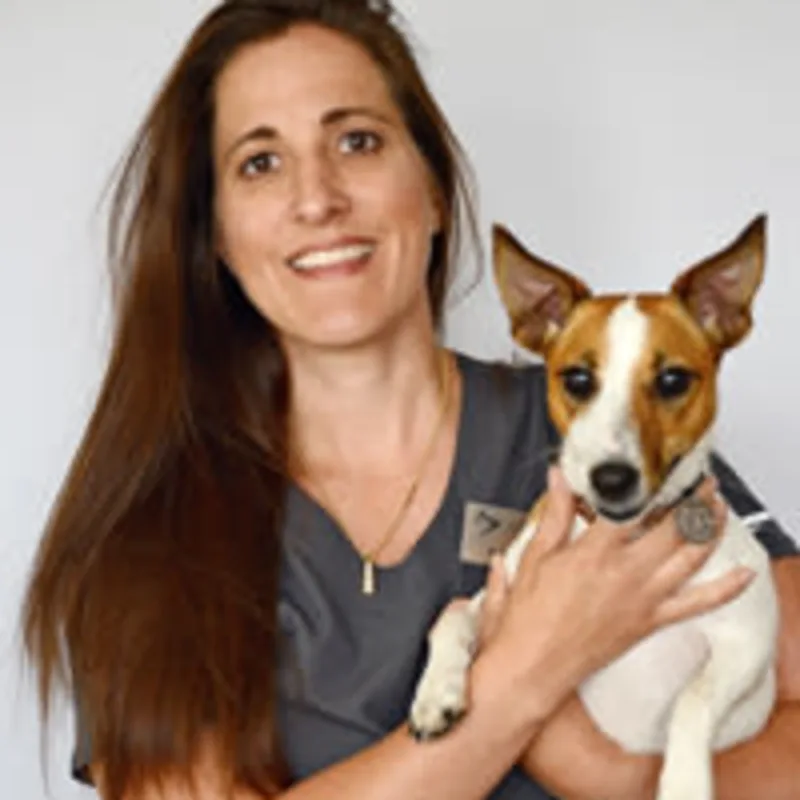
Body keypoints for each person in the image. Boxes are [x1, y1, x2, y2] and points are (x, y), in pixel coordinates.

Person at [21, 2, 800, 799]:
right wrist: (526, 674)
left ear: (431, 186)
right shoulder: (149, 525)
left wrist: (608, 773)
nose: (317, 197)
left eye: (356, 141)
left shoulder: (609, 428)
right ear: (214, 232)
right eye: (260, 162)